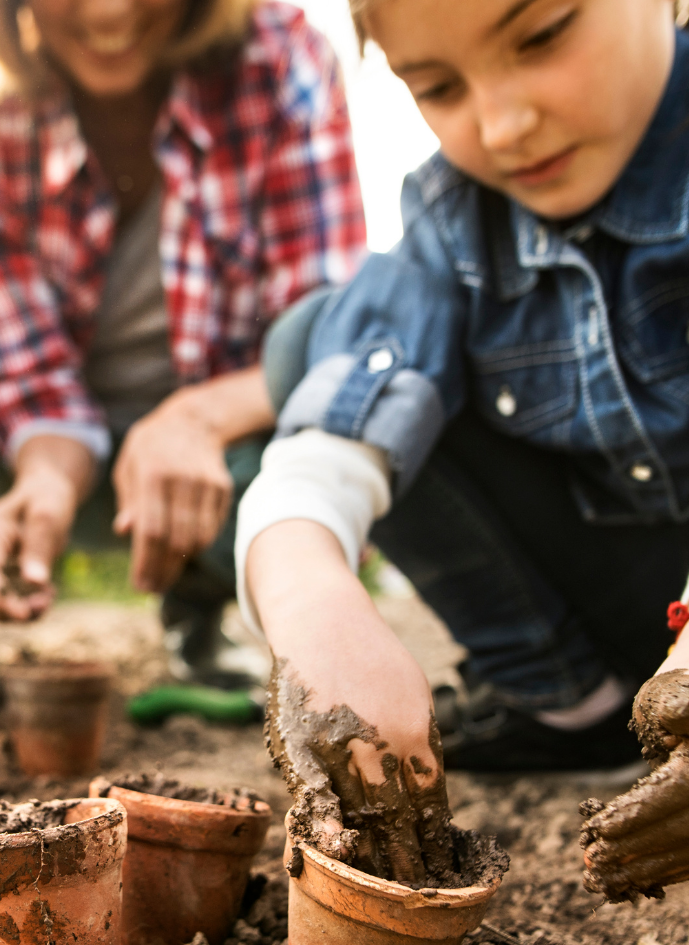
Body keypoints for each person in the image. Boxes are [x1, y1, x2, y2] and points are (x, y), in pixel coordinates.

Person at [237, 0, 689, 884]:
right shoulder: (454, 217)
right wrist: (314, 606)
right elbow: (330, 439)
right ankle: (566, 705)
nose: (504, 123)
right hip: (618, 588)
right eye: (438, 87)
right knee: (312, 343)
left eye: (544, 35)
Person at [0, 0, 366, 726]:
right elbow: (31, 380)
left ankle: (201, 607)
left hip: (227, 462)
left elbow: (324, 332)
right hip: (62, 465)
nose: (110, 8)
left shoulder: (281, 58)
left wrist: (195, 420)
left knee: (343, 424)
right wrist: (47, 478)